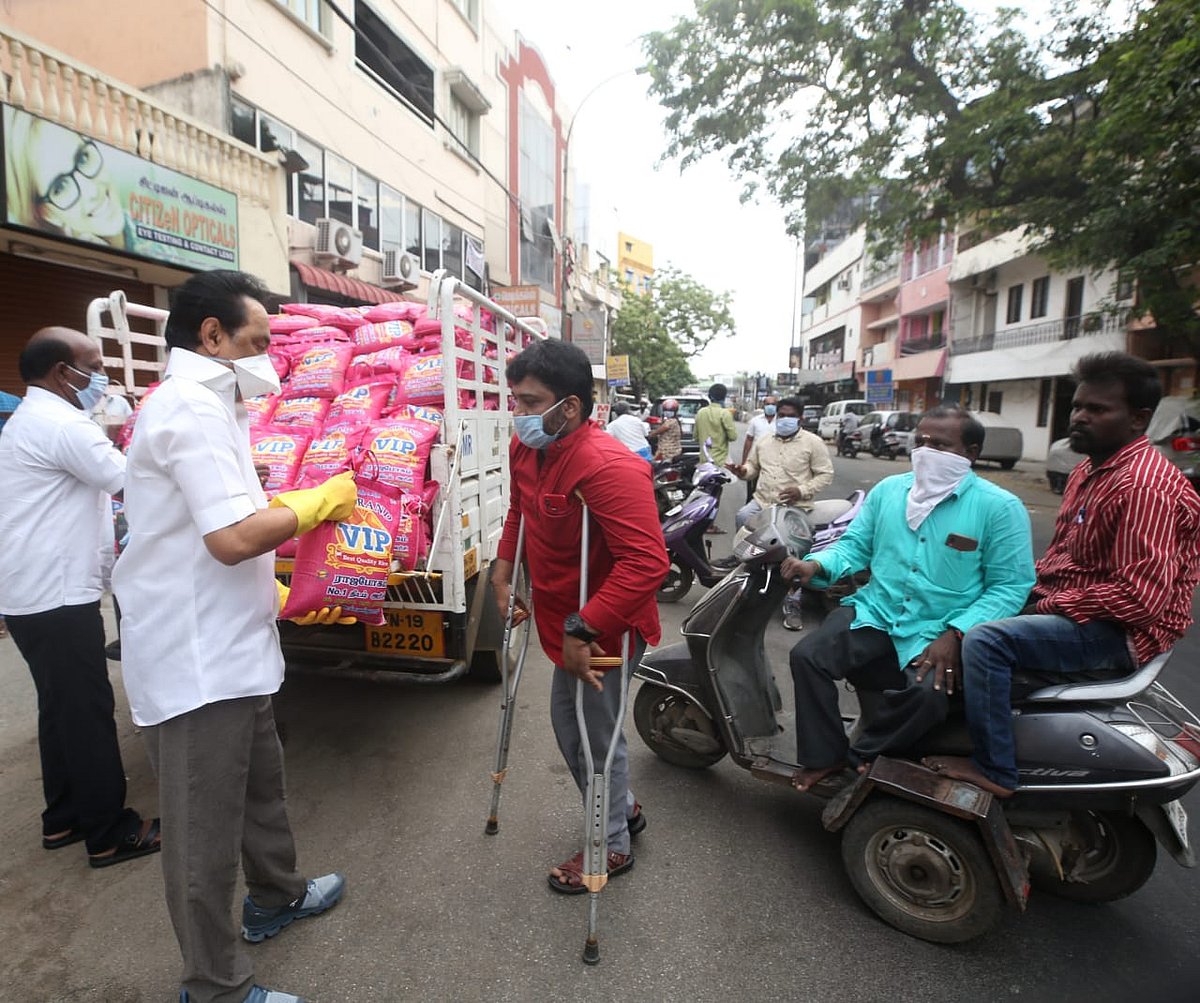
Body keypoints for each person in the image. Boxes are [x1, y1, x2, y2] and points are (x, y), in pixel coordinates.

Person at [113, 270, 358, 1003]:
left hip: (232, 643)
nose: (267, 358)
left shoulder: (217, 405)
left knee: (261, 789)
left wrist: (282, 588)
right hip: (196, 662)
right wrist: (314, 503)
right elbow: (230, 537)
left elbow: (207, 528)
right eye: (254, 342)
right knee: (201, 838)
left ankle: (276, 896)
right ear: (211, 335)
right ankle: (213, 987)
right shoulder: (187, 409)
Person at [925, 353, 1200, 797]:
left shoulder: (1143, 485)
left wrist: (1044, 604)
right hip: (1087, 611)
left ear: (1138, 419)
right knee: (966, 601)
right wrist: (1012, 588)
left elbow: (1139, 599)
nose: (1079, 417)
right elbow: (1062, 561)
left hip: (1123, 631)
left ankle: (995, 769)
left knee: (986, 640)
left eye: (1098, 410)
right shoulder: (1086, 472)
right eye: (1077, 406)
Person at [491, 339, 669, 894]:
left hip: (603, 629)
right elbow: (521, 508)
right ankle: (624, 808)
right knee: (572, 732)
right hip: (562, 621)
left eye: (528, 401)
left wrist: (584, 628)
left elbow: (648, 563)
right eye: (514, 400)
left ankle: (610, 843)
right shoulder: (531, 450)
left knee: (594, 739)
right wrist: (502, 570)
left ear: (569, 406)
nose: (518, 413)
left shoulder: (608, 465)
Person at [781, 405, 1035, 791]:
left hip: (937, 629)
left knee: (927, 695)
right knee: (808, 657)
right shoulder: (889, 491)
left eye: (941, 445)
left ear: (971, 452)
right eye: (921, 442)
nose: (926, 451)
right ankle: (825, 758)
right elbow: (854, 547)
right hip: (875, 612)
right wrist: (816, 565)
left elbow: (1010, 586)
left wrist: (956, 633)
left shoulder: (999, 508)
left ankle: (864, 754)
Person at [0, 327, 159, 865]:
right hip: (55, 594)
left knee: (61, 707)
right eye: (94, 366)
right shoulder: (63, 425)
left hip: (29, 592)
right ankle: (110, 832)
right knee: (88, 710)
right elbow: (132, 482)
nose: (103, 378)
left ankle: (63, 818)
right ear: (62, 373)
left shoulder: (32, 419)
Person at [4, 109, 137, 250]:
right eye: (60, 187)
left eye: (82, 158)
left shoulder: (149, 228)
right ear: (46, 214)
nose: (92, 191)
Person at [726, 397, 834, 530]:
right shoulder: (764, 441)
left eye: (791, 416)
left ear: (800, 418)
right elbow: (753, 466)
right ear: (777, 416)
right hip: (763, 502)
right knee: (743, 517)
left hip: (795, 506)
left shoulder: (813, 442)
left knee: (783, 540)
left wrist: (801, 491)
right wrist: (743, 471)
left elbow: (825, 475)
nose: (785, 419)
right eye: (782, 415)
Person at [741, 395, 778, 503]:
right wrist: (744, 461)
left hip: (774, 462)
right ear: (763, 406)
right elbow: (749, 440)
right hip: (755, 460)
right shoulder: (755, 421)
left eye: (773, 404)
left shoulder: (781, 421)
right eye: (767, 404)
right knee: (752, 492)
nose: (770, 407)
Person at [693, 383, 737, 466]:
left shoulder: (700, 412)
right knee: (733, 478)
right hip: (721, 461)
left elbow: (695, 437)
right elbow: (733, 437)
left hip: (704, 460)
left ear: (710, 396)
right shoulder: (725, 413)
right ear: (724, 397)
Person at [648, 398, 683, 462]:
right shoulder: (676, 421)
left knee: (654, 464)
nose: (668, 412)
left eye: (670, 411)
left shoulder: (670, 422)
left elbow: (661, 429)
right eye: (666, 410)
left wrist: (651, 434)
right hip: (675, 450)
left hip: (666, 451)